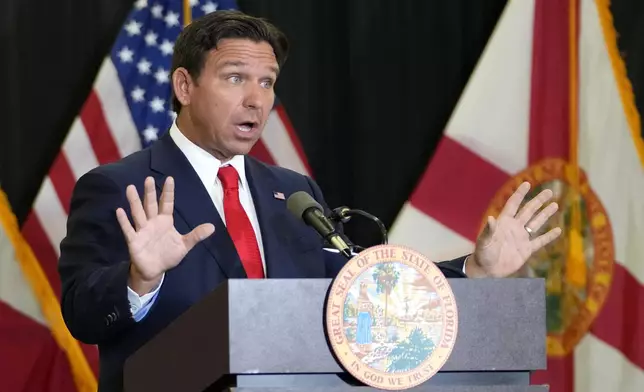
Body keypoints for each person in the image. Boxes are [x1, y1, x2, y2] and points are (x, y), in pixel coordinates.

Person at [57, 10, 562, 392]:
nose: (256, 99)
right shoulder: (118, 186)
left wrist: (473, 269)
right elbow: (81, 312)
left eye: (267, 82)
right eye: (235, 78)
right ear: (184, 86)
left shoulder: (292, 193)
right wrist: (138, 280)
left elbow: (357, 290)